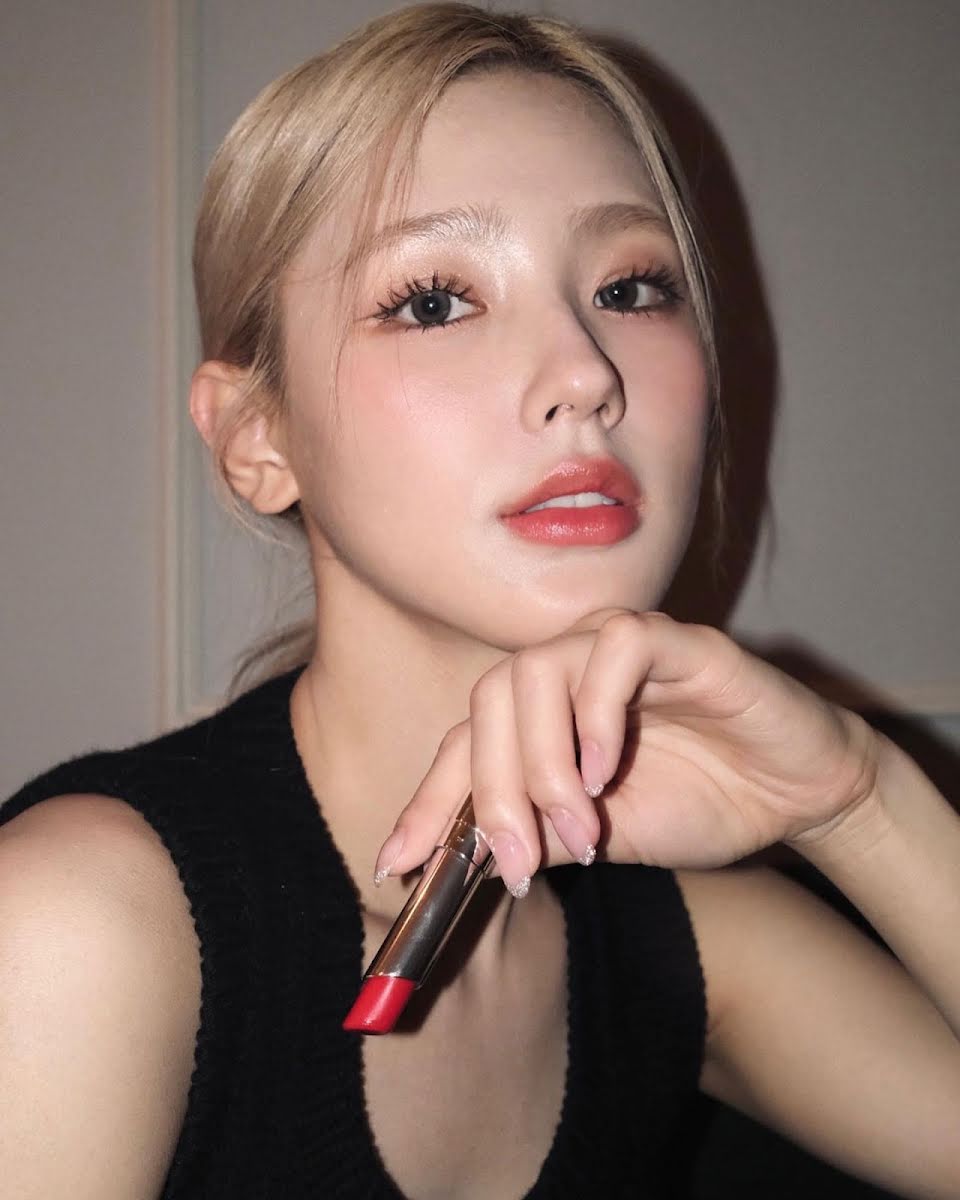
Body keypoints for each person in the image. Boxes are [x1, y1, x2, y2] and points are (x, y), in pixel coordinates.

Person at [1, 4, 958, 1197]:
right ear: (257, 437)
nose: (585, 374)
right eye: (435, 301)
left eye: (632, 287)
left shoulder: (682, 938)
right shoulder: (73, 929)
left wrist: (857, 800)